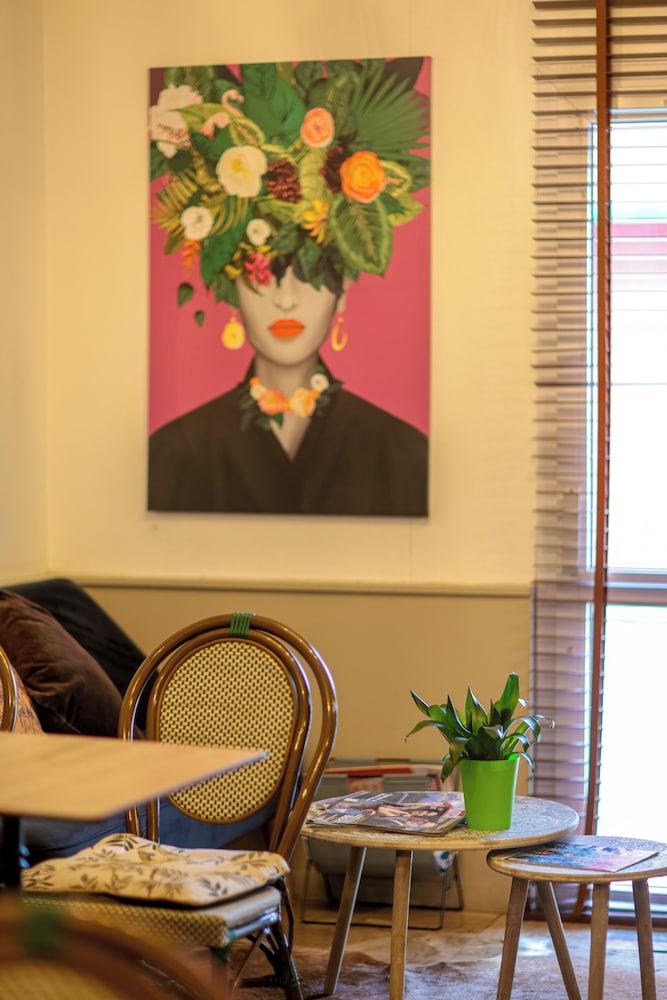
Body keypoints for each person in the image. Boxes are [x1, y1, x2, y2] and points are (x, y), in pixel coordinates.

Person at [147, 57, 430, 516]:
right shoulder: (171, 456)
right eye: (262, 274)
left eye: (311, 275)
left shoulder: (405, 456)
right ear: (232, 290)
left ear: (342, 293)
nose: (286, 299)